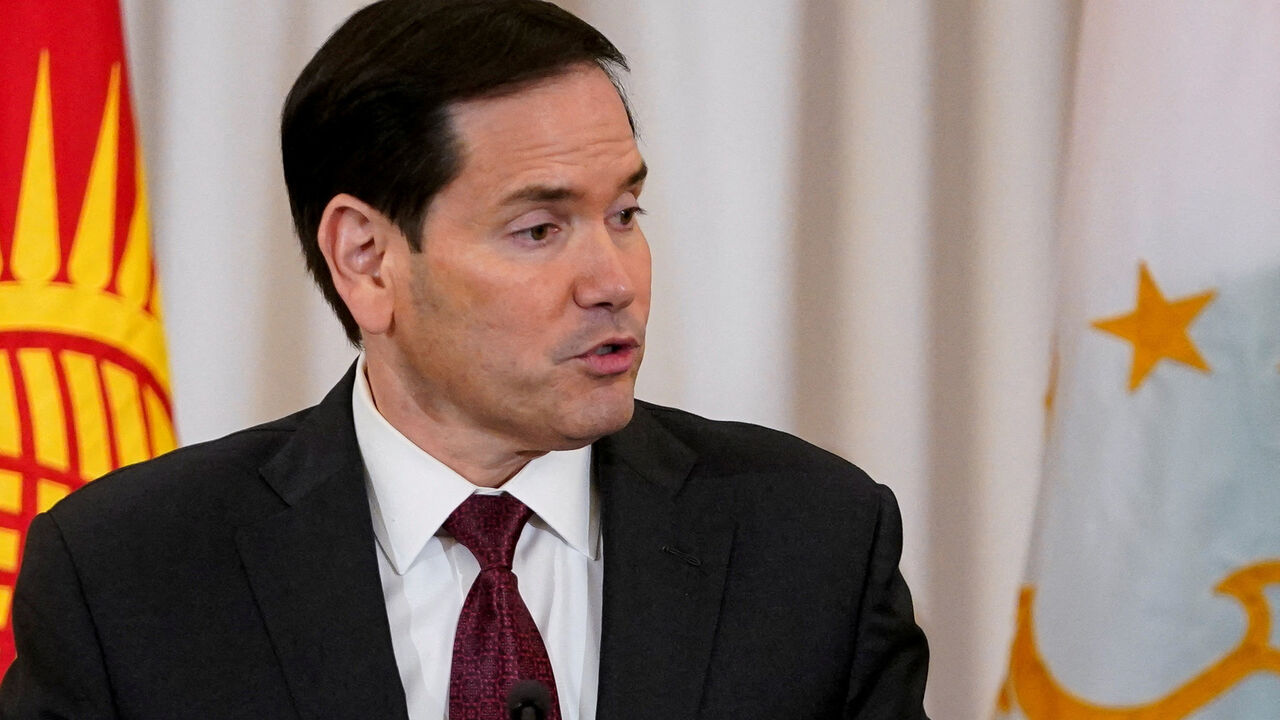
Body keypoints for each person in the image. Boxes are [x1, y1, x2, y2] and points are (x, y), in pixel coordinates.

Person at [0, 1, 930, 718]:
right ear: (367, 259)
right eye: (539, 228)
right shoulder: (128, 576)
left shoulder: (813, 543)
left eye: (625, 214)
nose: (614, 280)